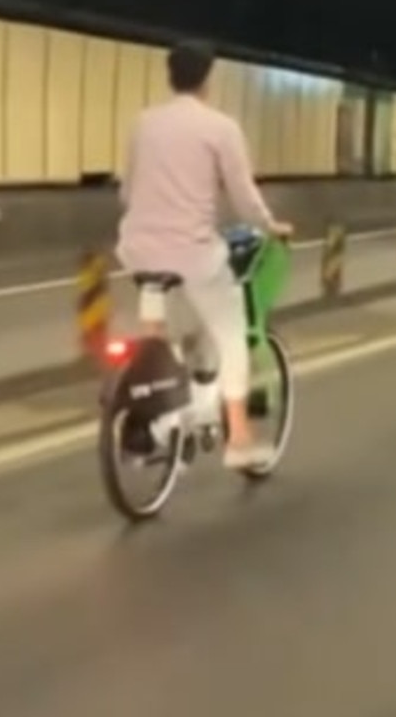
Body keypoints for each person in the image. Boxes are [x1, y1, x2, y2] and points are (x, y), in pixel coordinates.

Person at [117, 41, 294, 470]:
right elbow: (243, 195)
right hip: (193, 255)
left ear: (170, 76)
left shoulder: (144, 124)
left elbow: (127, 191)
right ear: (207, 79)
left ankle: (153, 419)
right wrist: (271, 225)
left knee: (161, 339)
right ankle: (240, 439)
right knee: (231, 334)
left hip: (139, 253)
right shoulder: (220, 128)